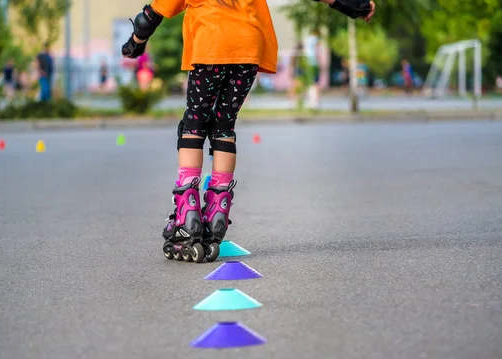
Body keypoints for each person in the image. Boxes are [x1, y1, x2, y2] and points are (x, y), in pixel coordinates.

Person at [121, 0, 376, 263]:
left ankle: (188, 215)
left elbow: (150, 16)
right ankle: (217, 213)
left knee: (193, 125)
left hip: (211, 45)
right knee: (224, 126)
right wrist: (354, 6)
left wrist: (136, 42)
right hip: (248, 49)